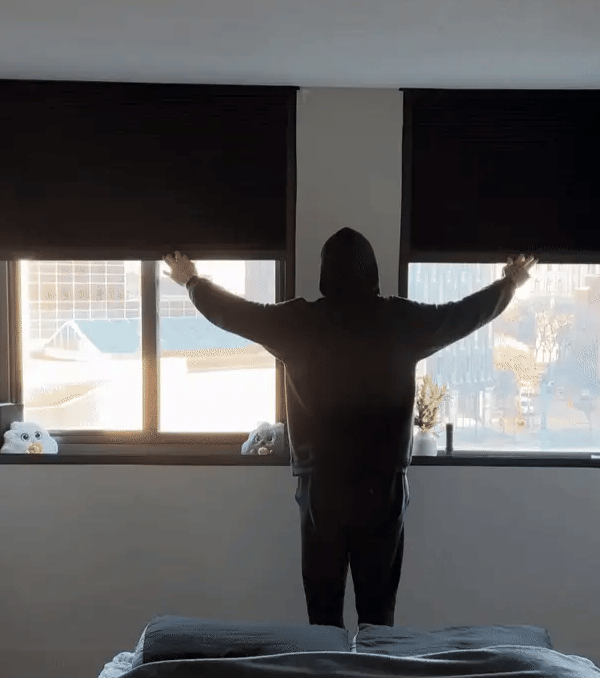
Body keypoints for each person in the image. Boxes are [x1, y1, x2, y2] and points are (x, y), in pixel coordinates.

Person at [164, 228, 535, 630]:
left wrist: (192, 281)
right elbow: (463, 314)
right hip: (383, 485)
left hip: (321, 485)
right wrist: (509, 284)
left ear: (325, 274)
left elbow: (234, 312)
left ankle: (329, 661)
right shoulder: (401, 321)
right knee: (378, 613)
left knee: (323, 612)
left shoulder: (298, 322)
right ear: (373, 272)